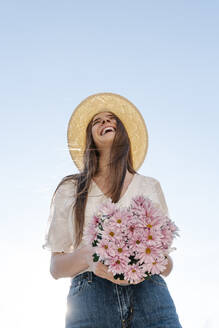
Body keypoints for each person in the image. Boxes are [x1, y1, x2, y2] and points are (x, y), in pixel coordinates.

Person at [42, 93, 182, 328]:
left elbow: (167, 264)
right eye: (97, 121)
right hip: (90, 298)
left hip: (150, 295)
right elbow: (56, 268)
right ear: (90, 138)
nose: (105, 122)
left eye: (111, 119)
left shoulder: (149, 185)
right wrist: (89, 256)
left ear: (124, 133)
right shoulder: (70, 189)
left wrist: (141, 262)